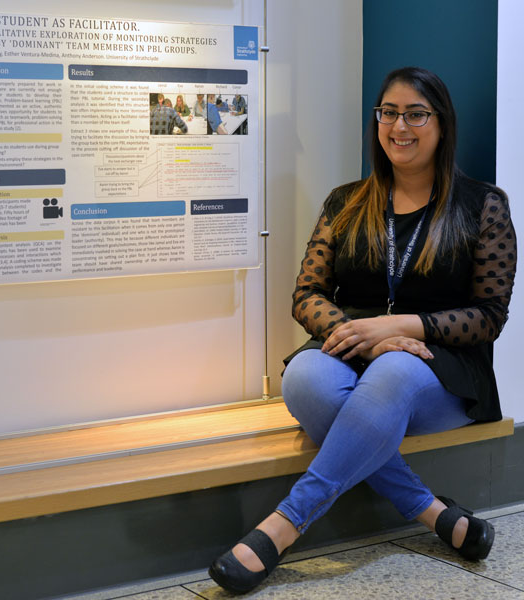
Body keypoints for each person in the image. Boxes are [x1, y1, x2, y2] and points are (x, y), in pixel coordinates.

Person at [209, 66, 517, 594]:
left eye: (416, 114)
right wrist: (364, 332)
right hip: (350, 347)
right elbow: (306, 294)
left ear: (441, 124)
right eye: (389, 113)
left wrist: (400, 328)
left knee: (397, 367)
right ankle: (428, 511)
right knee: (303, 378)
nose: (400, 125)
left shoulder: (482, 204)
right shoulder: (345, 201)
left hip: (443, 369)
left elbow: (489, 315)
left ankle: (283, 526)